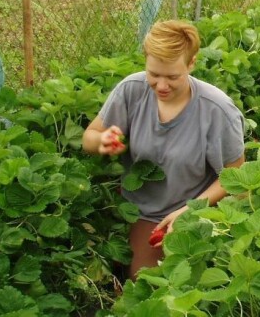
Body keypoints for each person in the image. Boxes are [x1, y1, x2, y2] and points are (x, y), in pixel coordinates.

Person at [82, 20, 246, 280]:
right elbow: (88, 137)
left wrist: (191, 211)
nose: (161, 86)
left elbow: (237, 179)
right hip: (139, 208)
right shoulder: (131, 90)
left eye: (172, 77)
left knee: (167, 280)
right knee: (130, 275)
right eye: (154, 74)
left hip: (192, 207)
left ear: (191, 64)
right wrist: (102, 141)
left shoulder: (217, 110)